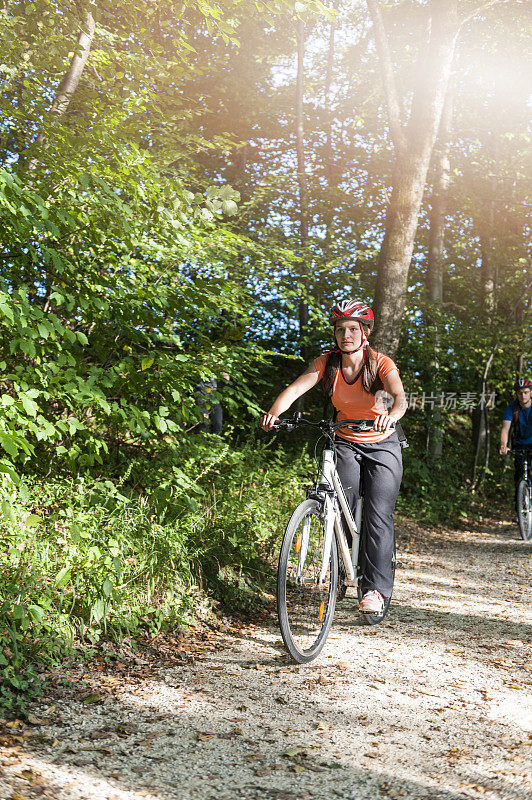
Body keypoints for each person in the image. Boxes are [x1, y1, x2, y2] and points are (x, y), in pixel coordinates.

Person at [261, 300, 407, 614]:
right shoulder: (327, 364)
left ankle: (374, 591)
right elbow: (295, 389)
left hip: (383, 442)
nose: (346, 335)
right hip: (345, 441)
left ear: (365, 332)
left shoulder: (379, 363)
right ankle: (340, 574)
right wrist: (275, 413)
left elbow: (399, 397)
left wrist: (391, 415)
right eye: (340, 329)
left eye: (353, 328)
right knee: (340, 509)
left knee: (376, 515)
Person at [499, 378, 532, 522]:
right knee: (519, 478)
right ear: (516, 394)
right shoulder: (511, 408)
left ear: (531, 392)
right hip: (519, 445)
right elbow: (505, 429)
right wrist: (503, 445)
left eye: (526, 392)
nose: (523, 396)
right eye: (520, 393)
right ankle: (519, 511)